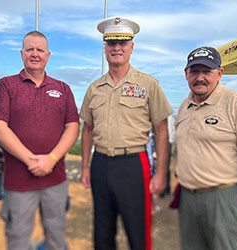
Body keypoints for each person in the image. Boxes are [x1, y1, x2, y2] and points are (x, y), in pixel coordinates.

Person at [80, 16, 173, 250]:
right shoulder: (94, 88)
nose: (117, 48)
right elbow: (87, 129)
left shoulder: (148, 84)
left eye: (123, 43)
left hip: (133, 164)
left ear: (132, 47)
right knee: (102, 232)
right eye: (111, 43)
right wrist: (85, 166)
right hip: (100, 163)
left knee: (138, 232)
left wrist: (161, 173)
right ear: (105, 48)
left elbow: (161, 130)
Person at [0, 30, 79, 250]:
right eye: (30, 49)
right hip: (19, 182)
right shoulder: (6, 85)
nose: (35, 54)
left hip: (55, 179)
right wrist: (31, 160)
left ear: (48, 55)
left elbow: (72, 127)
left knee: (56, 235)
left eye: (40, 50)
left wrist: (52, 159)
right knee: (18, 238)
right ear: (22, 54)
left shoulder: (63, 89)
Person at [175, 46, 237, 250]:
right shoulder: (184, 106)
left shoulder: (236, 102)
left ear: (219, 73)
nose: (200, 78)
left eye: (207, 71)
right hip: (188, 200)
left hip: (224, 199)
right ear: (186, 74)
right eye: (194, 71)